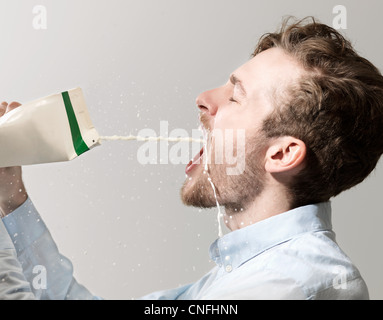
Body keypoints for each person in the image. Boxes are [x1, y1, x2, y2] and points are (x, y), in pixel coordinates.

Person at [1, 16, 383, 300]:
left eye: (235, 96)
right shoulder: (243, 276)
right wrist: (10, 196)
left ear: (281, 154)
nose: (204, 98)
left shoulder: (290, 285)